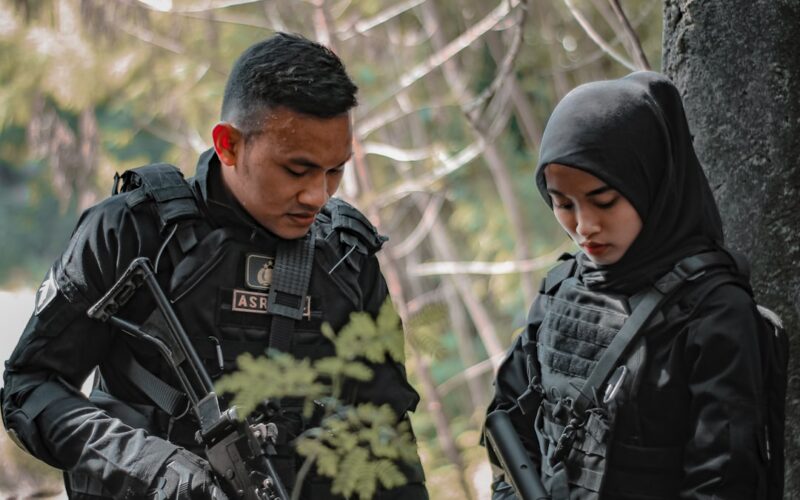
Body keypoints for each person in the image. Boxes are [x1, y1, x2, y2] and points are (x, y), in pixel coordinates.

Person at [1, 33, 428, 499]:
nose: (318, 195)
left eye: (335, 170)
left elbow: (389, 435)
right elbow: (29, 387)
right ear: (228, 145)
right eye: (297, 169)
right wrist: (155, 467)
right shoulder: (132, 232)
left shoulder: (347, 257)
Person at [486, 71, 772, 499]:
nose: (584, 226)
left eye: (604, 200)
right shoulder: (561, 289)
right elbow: (509, 425)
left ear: (651, 183)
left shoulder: (715, 312)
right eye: (562, 204)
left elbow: (723, 480)